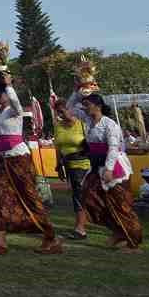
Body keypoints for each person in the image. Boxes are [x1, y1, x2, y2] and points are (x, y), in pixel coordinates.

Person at [0, 43, 61, 256]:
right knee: (1, 196)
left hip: (18, 157)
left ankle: (51, 237)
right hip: (2, 158)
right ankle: (0, 240)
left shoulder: (14, 111)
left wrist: (8, 85)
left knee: (29, 196)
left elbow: (16, 103)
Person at [67, 89, 143, 252]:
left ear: (98, 106)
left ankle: (133, 242)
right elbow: (69, 108)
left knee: (121, 204)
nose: (84, 108)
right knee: (90, 198)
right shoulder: (88, 121)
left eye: (87, 105)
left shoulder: (110, 124)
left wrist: (109, 170)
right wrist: (77, 92)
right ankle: (118, 231)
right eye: (84, 105)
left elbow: (113, 148)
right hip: (97, 167)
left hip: (114, 166)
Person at [52, 98, 90, 240]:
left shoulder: (82, 124)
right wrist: (58, 165)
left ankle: (80, 228)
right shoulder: (58, 126)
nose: (62, 114)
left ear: (70, 109)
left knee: (80, 195)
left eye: (63, 111)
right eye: (59, 112)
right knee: (77, 194)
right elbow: (58, 147)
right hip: (68, 165)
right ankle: (80, 226)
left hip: (83, 164)